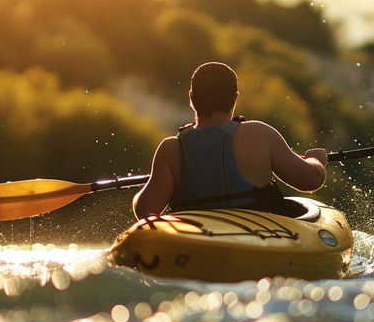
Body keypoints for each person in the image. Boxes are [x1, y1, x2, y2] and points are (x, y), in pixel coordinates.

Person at [133, 62, 328, 219]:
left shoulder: (171, 149)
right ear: (234, 99)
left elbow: (145, 212)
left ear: (192, 98)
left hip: (195, 247)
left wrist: (153, 181)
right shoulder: (257, 134)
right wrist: (317, 161)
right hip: (256, 244)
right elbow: (310, 180)